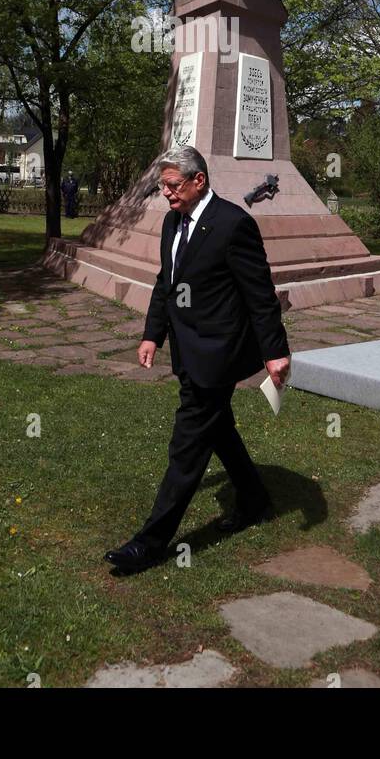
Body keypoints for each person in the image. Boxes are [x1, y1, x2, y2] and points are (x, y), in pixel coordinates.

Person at [103, 145, 291, 576]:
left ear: (198, 181)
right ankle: (256, 499)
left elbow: (259, 294)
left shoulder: (232, 224)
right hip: (186, 350)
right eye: (162, 186)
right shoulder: (172, 222)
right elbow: (165, 282)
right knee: (219, 429)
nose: (165, 194)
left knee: (186, 447)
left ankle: (148, 545)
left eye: (171, 186)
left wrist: (275, 352)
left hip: (217, 354)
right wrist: (153, 334)